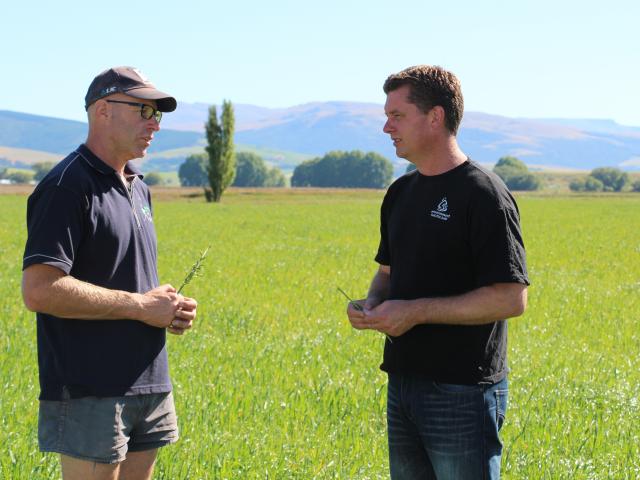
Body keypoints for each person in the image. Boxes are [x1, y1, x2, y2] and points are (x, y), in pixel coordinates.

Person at [346, 65, 529, 480]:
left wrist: (415, 312)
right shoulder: (400, 193)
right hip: (403, 382)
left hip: (463, 390)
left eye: (397, 115)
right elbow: (388, 273)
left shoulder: (483, 194)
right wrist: (372, 303)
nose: (386, 127)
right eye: (386, 115)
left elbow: (510, 297)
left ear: (435, 117)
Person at [22, 66, 197, 480]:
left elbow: (122, 276)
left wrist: (167, 306)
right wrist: (140, 307)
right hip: (91, 387)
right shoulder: (67, 186)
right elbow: (40, 290)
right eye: (143, 110)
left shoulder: (138, 185)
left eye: (158, 114)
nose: (154, 124)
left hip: (148, 381)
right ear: (103, 111)